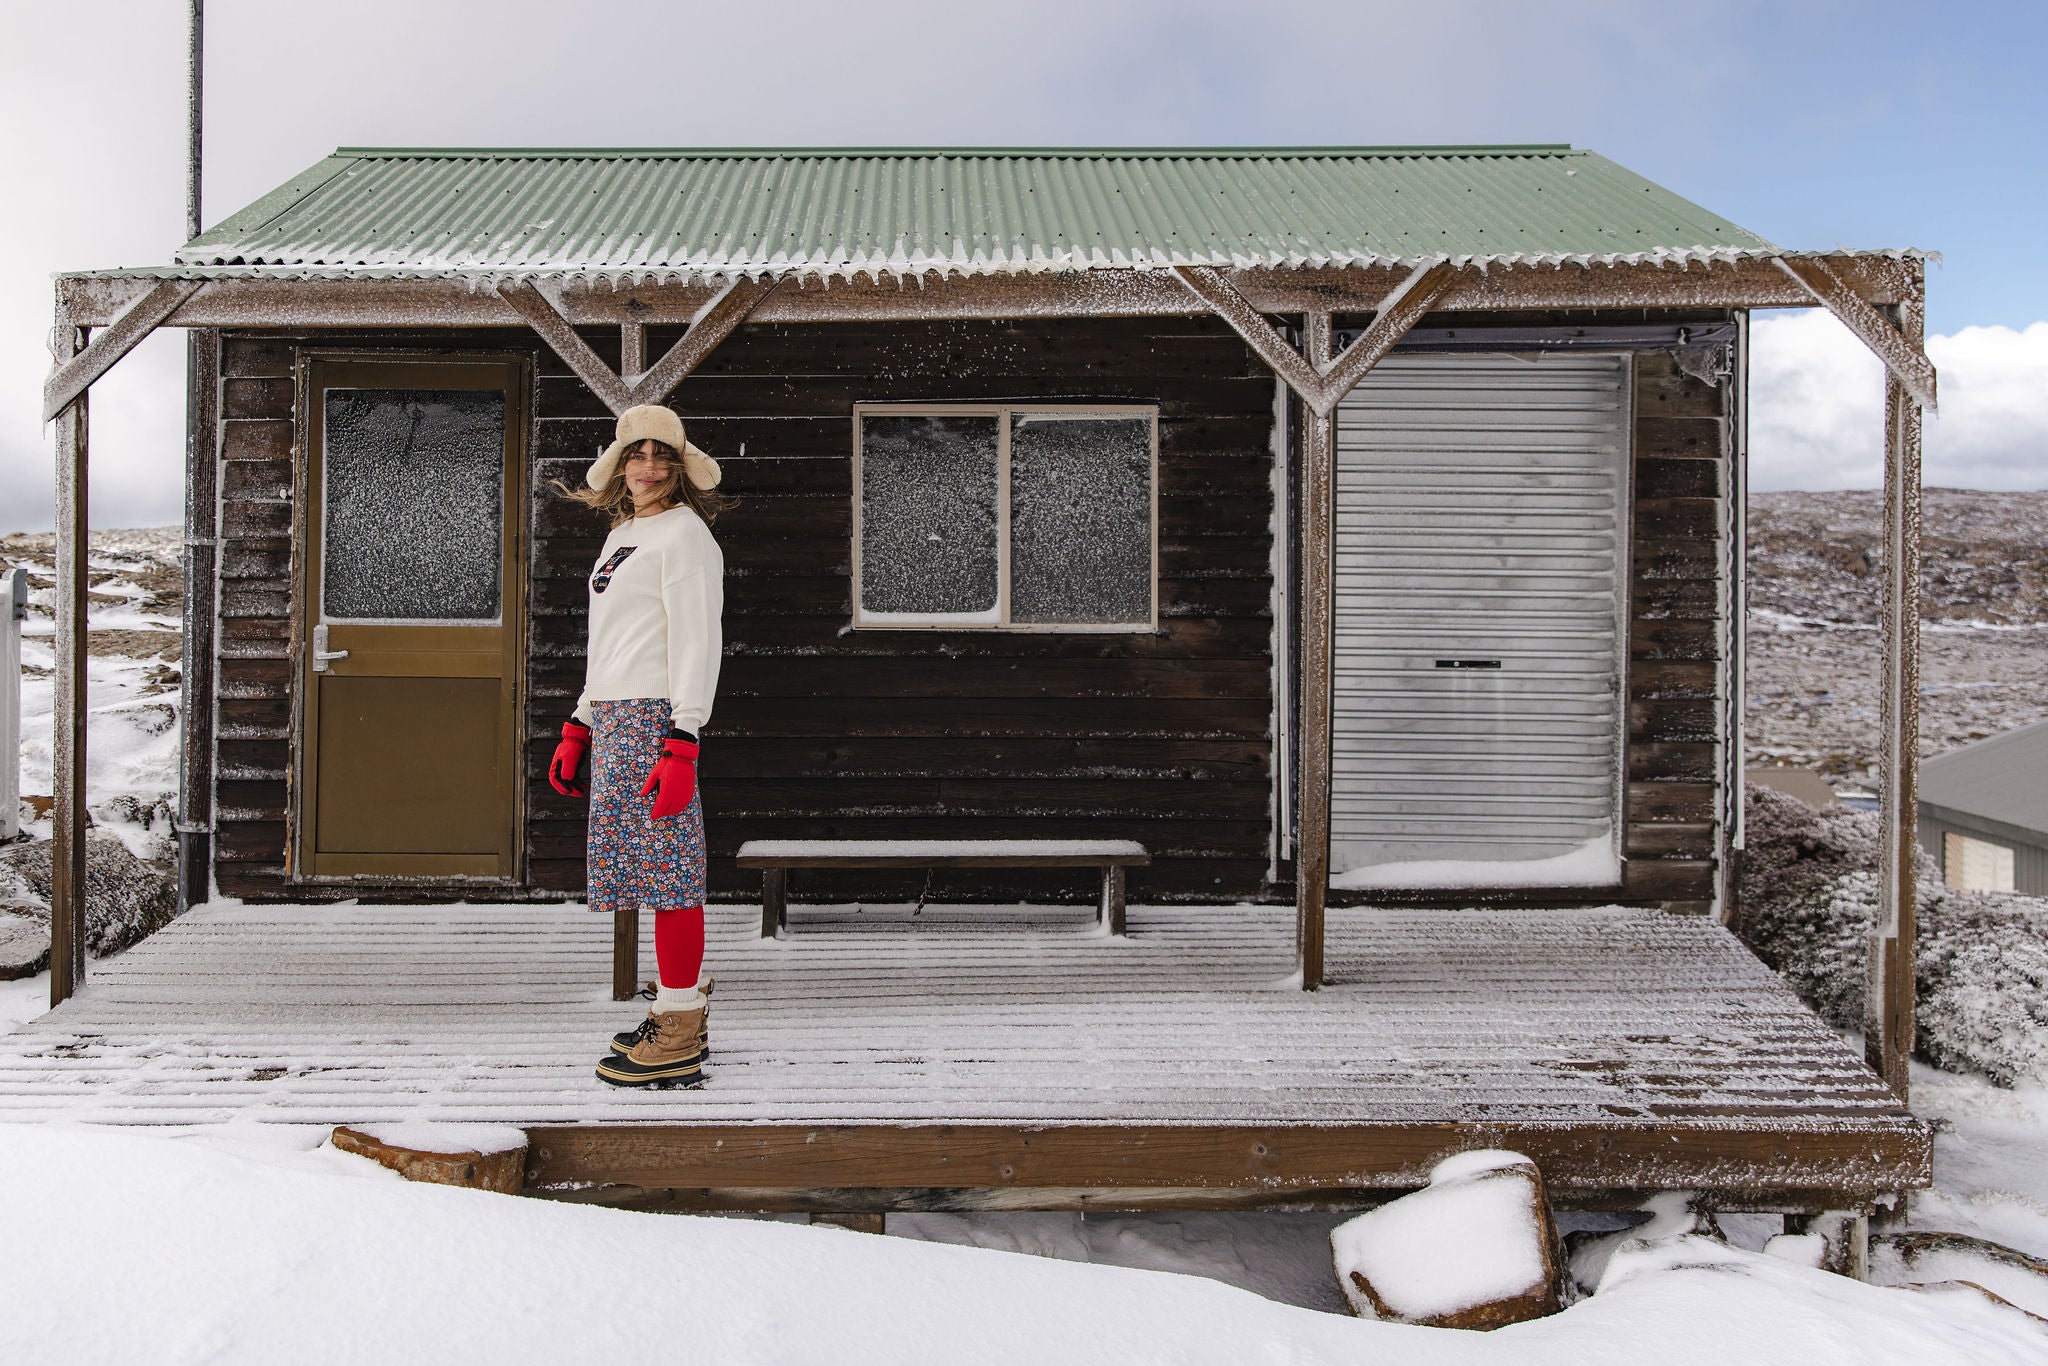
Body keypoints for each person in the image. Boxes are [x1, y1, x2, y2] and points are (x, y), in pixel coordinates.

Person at [549, 404, 727, 1088]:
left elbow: (695, 641)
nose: (648, 466)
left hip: (658, 721)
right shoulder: (625, 533)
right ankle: (678, 1010)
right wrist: (581, 721)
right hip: (619, 719)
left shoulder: (686, 537)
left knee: (672, 874)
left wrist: (683, 739)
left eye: (662, 456)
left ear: (678, 468)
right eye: (636, 453)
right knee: (646, 876)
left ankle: (679, 1028)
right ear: (620, 464)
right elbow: (615, 645)